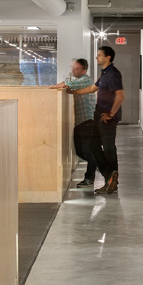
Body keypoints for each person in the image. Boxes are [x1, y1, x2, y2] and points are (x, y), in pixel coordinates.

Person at [71, 45, 125, 194]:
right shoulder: (104, 74)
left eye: (99, 55)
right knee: (93, 146)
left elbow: (120, 95)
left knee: (108, 149)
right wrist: (71, 91)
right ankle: (109, 176)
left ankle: (112, 181)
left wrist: (111, 114)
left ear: (108, 57)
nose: (97, 57)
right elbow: (90, 89)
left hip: (107, 119)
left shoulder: (113, 74)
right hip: (99, 117)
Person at [50, 58, 97, 188]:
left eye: (76, 69)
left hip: (88, 119)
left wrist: (56, 86)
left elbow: (68, 84)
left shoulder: (86, 80)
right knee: (80, 151)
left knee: (87, 151)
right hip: (81, 121)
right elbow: (68, 84)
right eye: (73, 68)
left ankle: (91, 176)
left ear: (84, 70)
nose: (73, 70)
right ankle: (100, 165)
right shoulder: (77, 81)